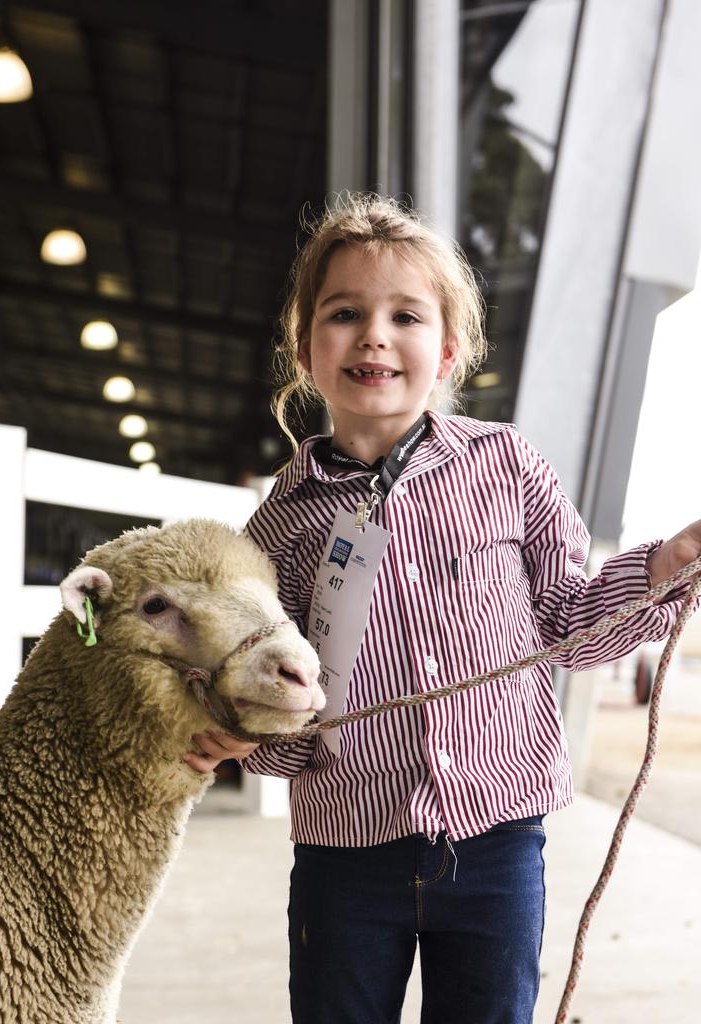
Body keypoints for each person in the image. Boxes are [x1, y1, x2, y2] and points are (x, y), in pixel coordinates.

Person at [183, 193, 701, 1024]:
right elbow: (273, 712)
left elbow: (570, 623)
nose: (374, 334)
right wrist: (242, 731)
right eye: (345, 312)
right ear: (305, 347)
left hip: (497, 838)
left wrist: (663, 566)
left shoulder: (507, 465)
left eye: (406, 316)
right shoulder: (278, 525)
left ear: (450, 350)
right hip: (343, 850)